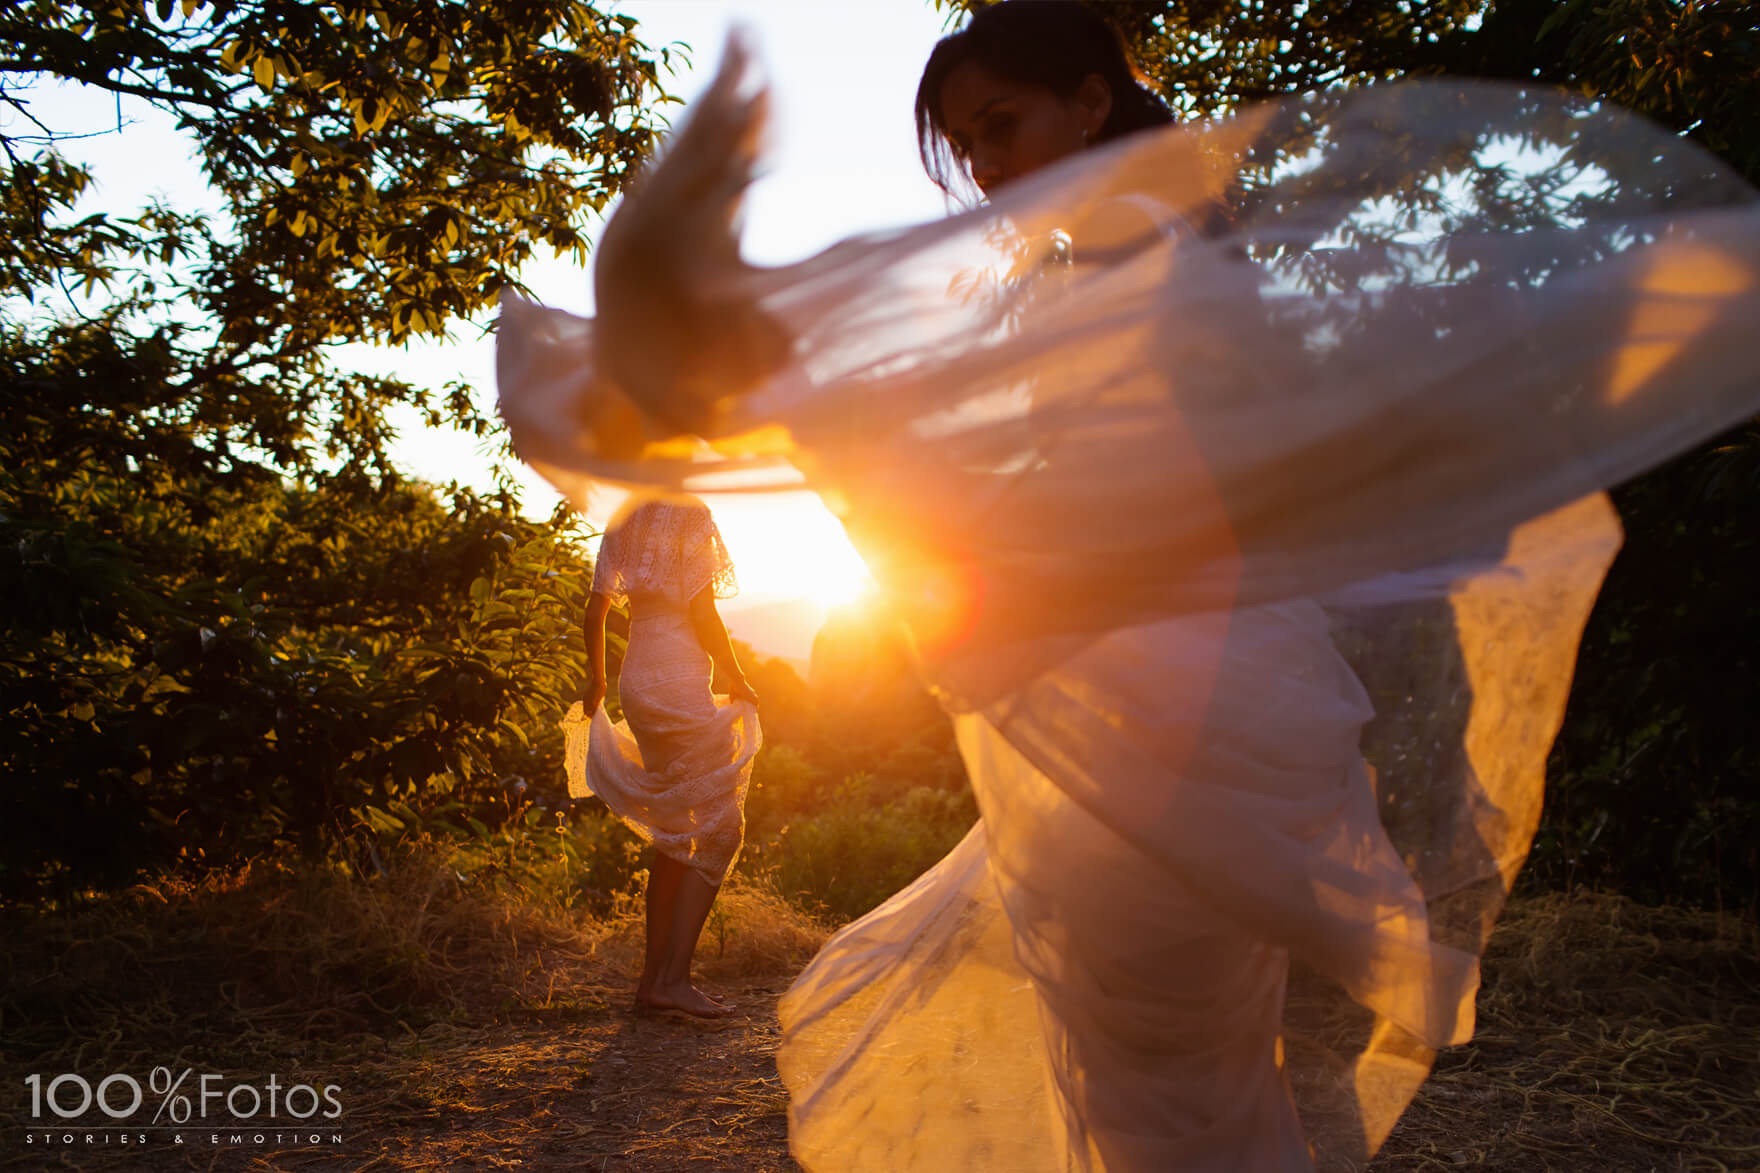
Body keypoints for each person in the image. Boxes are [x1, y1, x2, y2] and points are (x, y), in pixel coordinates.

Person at [499, 1, 1760, 1164]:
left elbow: (1180, 498)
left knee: (1158, 1063)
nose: (983, 165)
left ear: (1092, 103)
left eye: (1001, 126)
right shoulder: (1123, 261)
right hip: (1181, 682)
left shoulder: (1145, 266)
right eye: (964, 142)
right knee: (1167, 1061)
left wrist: (848, 435)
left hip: (1181, 693)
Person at [562, 493, 761, 1019]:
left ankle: (655, 983)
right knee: (721, 830)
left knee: (677, 830)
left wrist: (597, 675)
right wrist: (735, 672)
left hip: (638, 680)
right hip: (675, 676)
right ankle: (673, 979)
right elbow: (701, 608)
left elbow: (596, 607)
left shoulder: (624, 517)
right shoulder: (691, 513)